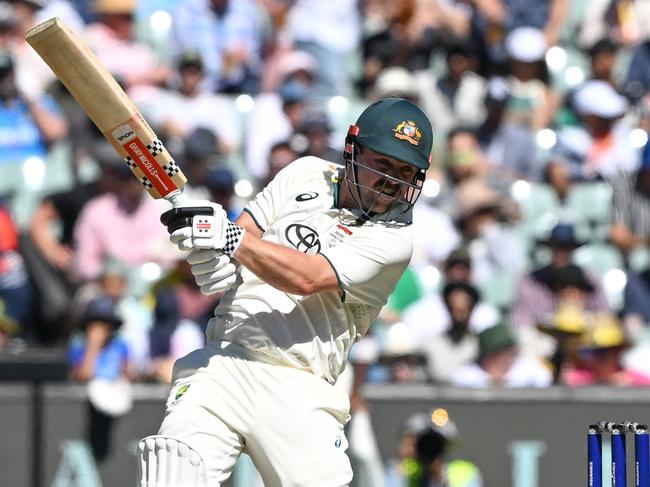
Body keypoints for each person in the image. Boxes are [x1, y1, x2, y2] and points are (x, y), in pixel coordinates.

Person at [138, 97, 434, 486]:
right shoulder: (305, 173)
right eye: (383, 164)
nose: (392, 181)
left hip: (299, 383)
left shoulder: (394, 241)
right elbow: (243, 237)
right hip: (225, 360)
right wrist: (211, 254)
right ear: (353, 150)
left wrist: (227, 239)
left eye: (404, 171)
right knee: (170, 473)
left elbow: (307, 277)